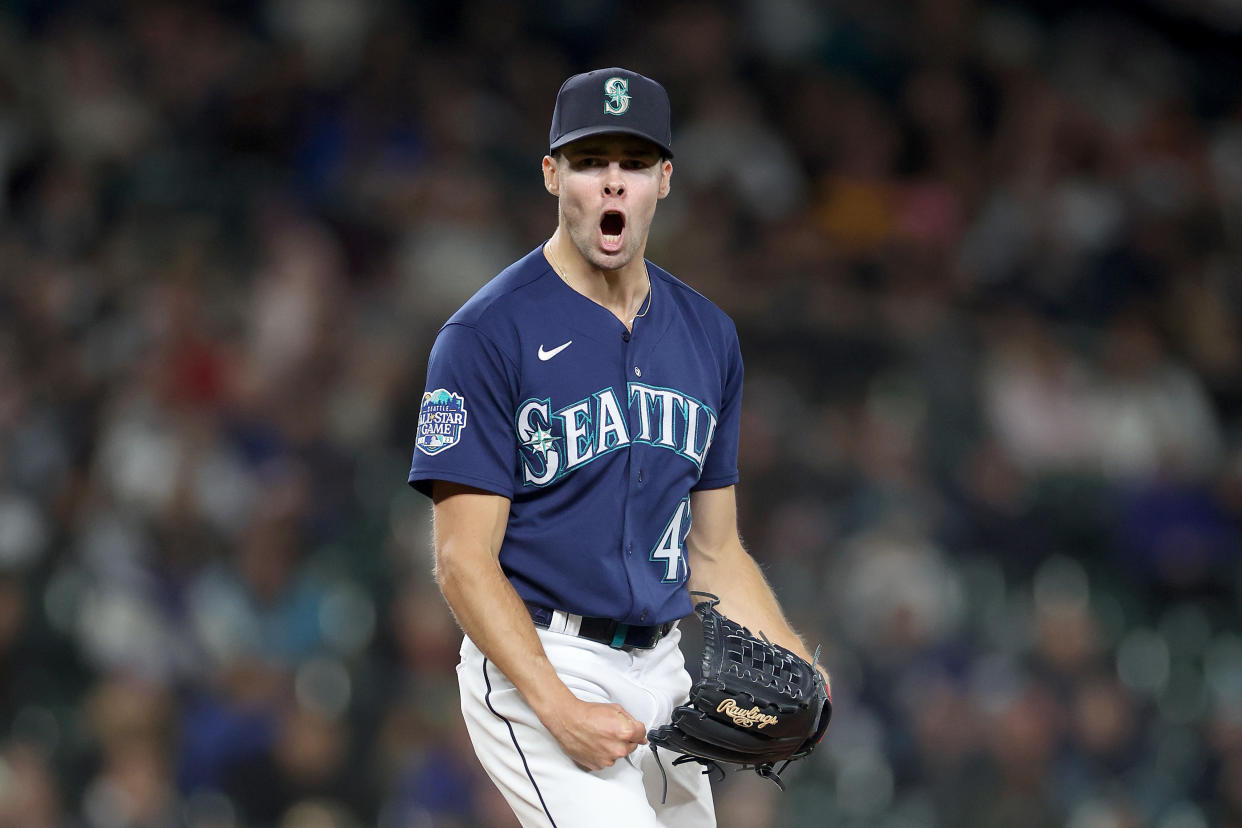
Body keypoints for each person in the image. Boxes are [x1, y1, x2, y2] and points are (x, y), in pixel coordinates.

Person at [408, 67, 828, 828]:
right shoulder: (485, 335)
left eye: (632, 164)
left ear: (664, 180)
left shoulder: (708, 336)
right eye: (589, 161)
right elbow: (462, 561)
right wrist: (556, 704)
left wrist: (796, 657)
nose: (612, 184)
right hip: (541, 654)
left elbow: (716, 552)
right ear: (551, 174)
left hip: (664, 668)